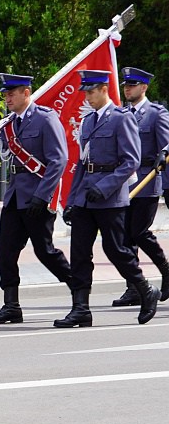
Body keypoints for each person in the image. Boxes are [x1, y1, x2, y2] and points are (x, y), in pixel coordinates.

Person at [56, 69, 159, 327]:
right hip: (85, 197)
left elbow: (130, 161)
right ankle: (80, 308)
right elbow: (82, 163)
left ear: (104, 89)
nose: (88, 97)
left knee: (116, 250)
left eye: (91, 92)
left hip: (110, 197)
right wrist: (71, 200)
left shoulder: (121, 118)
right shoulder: (88, 121)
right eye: (86, 92)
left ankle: (145, 289)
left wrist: (104, 187)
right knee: (79, 252)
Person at [0, 73, 78, 324]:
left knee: (45, 251)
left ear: (26, 93)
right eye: (5, 95)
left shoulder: (46, 119)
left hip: (38, 197)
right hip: (15, 196)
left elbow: (58, 160)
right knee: (6, 249)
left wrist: (42, 195)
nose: (7, 99)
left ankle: (79, 294)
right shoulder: (8, 125)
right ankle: (11, 305)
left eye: (11, 94)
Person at [112, 66, 169, 306]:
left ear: (144, 87)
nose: (127, 89)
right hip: (126, 183)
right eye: (125, 85)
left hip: (147, 182)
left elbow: (167, 147)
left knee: (139, 232)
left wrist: (163, 158)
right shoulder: (120, 114)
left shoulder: (156, 114)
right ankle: (135, 287)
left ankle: (166, 271)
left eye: (132, 85)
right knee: (124, 237)